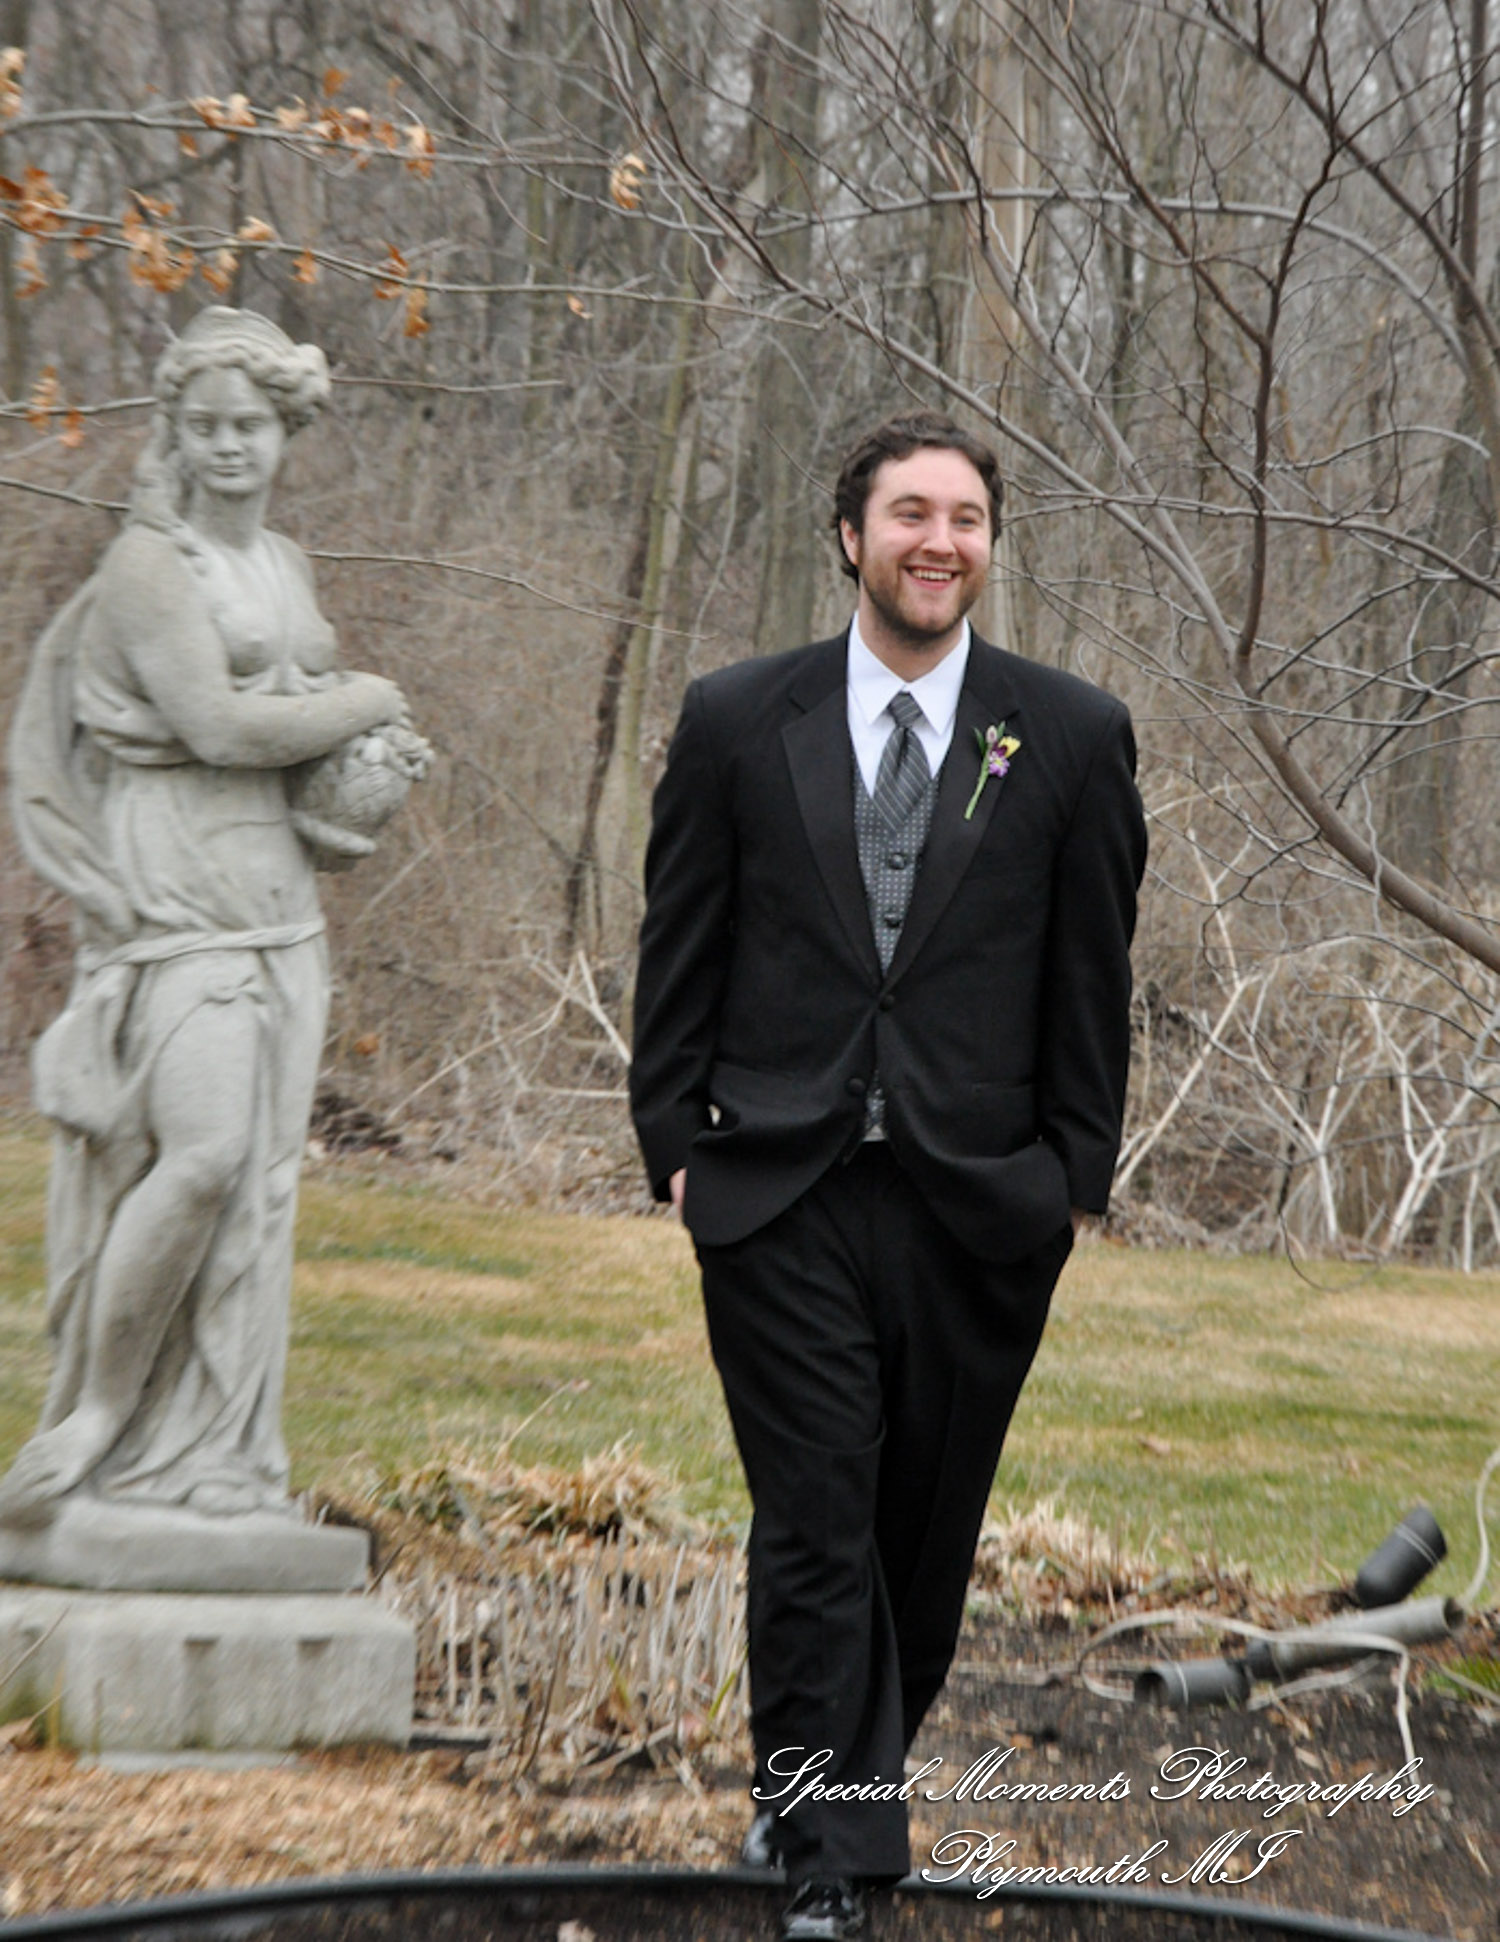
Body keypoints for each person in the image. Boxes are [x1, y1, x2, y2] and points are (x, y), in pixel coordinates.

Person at [629, 411, 1145, 1940]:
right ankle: (834, 1867)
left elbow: (1091, 974)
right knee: (812, 1510)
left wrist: (1073, 1177)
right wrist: (671, 1142)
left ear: (989, 543)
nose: (940, 539)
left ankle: (806, 1797)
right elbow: (682, 943)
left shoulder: (1065, 732)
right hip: (774, 1181)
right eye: (910, 511)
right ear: (848, 535)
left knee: (918, 1537)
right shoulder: (738, 717)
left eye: (968, 516)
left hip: (980, 1197)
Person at [0, 307, 420, 1532]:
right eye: (204, 426)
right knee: (197, 1160)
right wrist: (367, 698)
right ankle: (95, 1413)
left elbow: (290, 748)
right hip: (172, 892)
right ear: (175, 436)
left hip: (277, 900)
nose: (228, 446)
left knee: (259, 1192)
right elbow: (221, 730)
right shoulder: (148, 568)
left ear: (284, 433)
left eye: (249, 425)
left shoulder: (281, 564)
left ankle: (217, 1461)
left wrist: (370, 772)